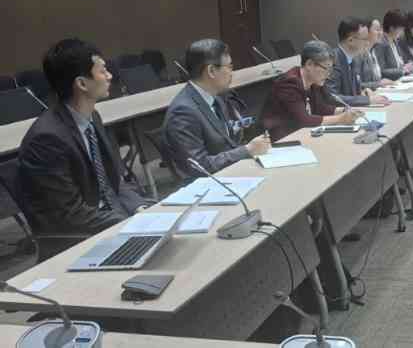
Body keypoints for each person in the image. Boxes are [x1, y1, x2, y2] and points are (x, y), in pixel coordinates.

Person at [18, 39, 150, 256]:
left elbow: (112, 180)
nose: (110, 76)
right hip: (77, 243)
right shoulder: (46, 139)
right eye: (103, 71)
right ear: (82, 84)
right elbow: (71, 216)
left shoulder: (91, 117)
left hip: (107, 223)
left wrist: (140, 208)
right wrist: (128, 223)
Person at [164, 39, 271, 178]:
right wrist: (247, 150)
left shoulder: (217, 98)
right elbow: (199, 167)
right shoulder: (183, 112)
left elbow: (228, 143)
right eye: (230, 67)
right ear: (211, 71)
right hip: (211, 183)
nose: (232, 73)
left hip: (233, 173)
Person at [261, 41, 360, 141]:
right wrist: (340, 119)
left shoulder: (313, 81)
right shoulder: (289, 83)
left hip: (299, 134)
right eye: (326, 68)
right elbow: (304, 120)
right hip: (279, 139)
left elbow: (320, 108)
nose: (328, 74)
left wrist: (344, 111)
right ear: (309, 64)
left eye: (331, 69)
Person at [326, 17, 389, 107]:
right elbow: (332, 97)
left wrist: (363, 92)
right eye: (365, 39)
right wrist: (367, 100)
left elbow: (352, 92)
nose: (367, 43)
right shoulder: (333, 61)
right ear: (350, 40)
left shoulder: (351, 59)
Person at [375, 9, 413, 80]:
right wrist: (402, 70)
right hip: (390, 82)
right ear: (392, 28)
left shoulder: (396, 41)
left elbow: (400, 63)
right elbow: (381, 71)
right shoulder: (381, 44)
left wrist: (407, 65)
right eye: (401, 28)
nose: (403, 32)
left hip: (401, 79)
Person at [356, 18, 396, 90]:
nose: (381, 33)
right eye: (377, 30)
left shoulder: (374, 50)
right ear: (366, 32)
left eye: (381, 29)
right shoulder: (358, 55)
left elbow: (379, 75)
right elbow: (356, 85)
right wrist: (378, 84)